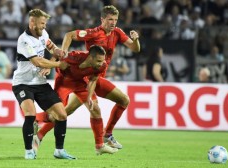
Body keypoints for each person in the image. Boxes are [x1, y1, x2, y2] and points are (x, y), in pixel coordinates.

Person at [36, 5, 140, 149]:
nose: (113, 22)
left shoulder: (117, 32)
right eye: (110, 19)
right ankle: (103, 140)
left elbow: (135, 49)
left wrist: (135, 40)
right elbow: (70, 35)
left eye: (115, 20)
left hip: (97, 77)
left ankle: (39, 133)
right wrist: (63, 53)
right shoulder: (94, 33)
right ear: (102, 19)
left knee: (68, 111)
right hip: (88, 78)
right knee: (96, 107)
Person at [11, 9, 75, 160]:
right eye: (41, 24)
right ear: (32, 22)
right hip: (23, 83)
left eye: (45, 24)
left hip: (40, 82)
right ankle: (28, 151)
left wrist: (60, 54)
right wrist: (58, 64)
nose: (44, 27)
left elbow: (53, 48)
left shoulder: (43, 35)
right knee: (30, 114)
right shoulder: (24, 40)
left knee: (61, 114)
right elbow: (37, 61)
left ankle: (59, 151)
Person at [35, 45, 118, 155]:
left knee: (95, 109)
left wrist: (88, 97)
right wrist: (48, 66)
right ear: (90, 57)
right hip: (64, 81)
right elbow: (57, 53)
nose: (101, 63)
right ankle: (35, 118)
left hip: (80, 83)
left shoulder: (101, 65)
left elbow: (93, 79)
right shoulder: (74, 56)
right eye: (98, 60)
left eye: (102, 60)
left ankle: (99, 145)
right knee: (58, 113)